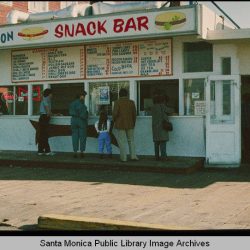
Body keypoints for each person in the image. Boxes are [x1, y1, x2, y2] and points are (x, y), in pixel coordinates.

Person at [112, 88, 138, 162]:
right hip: (130, 124)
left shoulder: (117, 102)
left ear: (119, 95)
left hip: (120, 124)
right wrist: (133, 123)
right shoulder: (131, 102)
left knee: (122, 141)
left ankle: (124, 158)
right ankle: (133, 156)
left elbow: (115, 114)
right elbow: (134, 115)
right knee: (131, 140)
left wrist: (114, 120)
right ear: (127, 94)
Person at [151, 92, 172, 161]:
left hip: (155, 127)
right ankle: (163, 157)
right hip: (162, 127)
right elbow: (170, 111)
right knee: (163, 142)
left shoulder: (153, 107)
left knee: (156, 143)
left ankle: (156, 157)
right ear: (162, 100)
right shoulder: (162, 106)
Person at [69, 91, 88, 158]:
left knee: (74, 137)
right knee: (82, 137)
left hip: (73, 121)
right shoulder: (82, 105)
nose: (84, 97)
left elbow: (70, 112)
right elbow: (84, 115)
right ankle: (82, 152)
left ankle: (75, 152)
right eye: (84, 96)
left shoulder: (72, 103)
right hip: (81, 121)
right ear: (81, 96)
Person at [38, 88, 54, 156]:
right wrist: (50, 114)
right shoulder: (47, 100)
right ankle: (47, 151)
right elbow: (48, 112)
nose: (52, 95)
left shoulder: (44, 99)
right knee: (45, 135)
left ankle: (40, 151)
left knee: (41, 135)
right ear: (49, 94)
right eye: (52, 94)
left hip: (42, 117)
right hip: (45, 118)